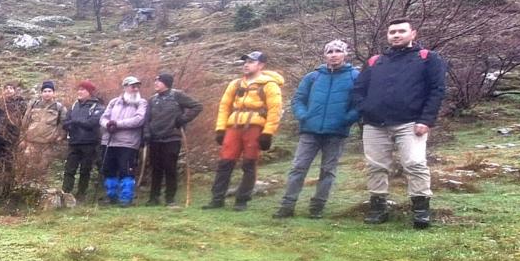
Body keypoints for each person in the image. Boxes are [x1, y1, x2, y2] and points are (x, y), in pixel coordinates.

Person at [352, 18, 447, 228]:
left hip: (411, 123)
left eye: (401, 31)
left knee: (415, 163)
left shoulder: (428, 58)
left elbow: (437, 90)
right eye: (392, 32)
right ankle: (378, 209)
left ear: (413, 33)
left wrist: (426, 120)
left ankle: (421, 211)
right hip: (375, 124)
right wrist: (365, 109)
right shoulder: (376, 61)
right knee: (375, 166)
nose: (396, 35)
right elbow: (359, 89)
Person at [274, 41, 359, 219]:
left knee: (328, 170)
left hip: (336, 133)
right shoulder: (312, 77)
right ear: (325, 55)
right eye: (330, 51)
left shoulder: (355, 76)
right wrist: (303, 116)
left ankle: (317, 207)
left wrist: (346, 120)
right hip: (310, 131)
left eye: (338, 51)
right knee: (298, 168)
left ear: (345, 54)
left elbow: (359, 104)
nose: (333, 54)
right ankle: (287, 206)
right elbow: (298, 99)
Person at [204, 51, 285, 211]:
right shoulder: (235, 84)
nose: (246, 65)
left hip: (255, 127)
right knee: (225, 162)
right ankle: (217, 199)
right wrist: (220, 129)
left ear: (261, 65)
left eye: (251, 62)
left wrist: (268, 133)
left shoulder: (270, 85)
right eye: (245, 62)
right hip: (233, 127)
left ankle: (242, 201)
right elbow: (224, 106)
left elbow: (275, 110)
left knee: (249, 163)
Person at [144, 73, 203, 207]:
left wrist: (183, 119)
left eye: (159, 81)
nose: (155, 83)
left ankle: (170, 198)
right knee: (156, 168)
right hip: (155, 138)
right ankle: (154, 198)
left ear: (166, 83)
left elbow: (197, 106)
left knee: (170, 168)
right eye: (155, 80)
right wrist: (146, 133)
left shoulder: (177, 95)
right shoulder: (152, 99)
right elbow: (147, 119)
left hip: (172, 137)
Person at [100, 77, 148, 206]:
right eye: (133, 86)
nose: (136, 89)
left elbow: (139, 119)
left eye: (137, 86)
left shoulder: (141, 103)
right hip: (109, 141)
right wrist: (107, 124)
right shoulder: (114, 102)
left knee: (126, 170)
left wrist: (117, 124)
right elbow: (103, 117)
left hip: (128, 143)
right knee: (109, 170)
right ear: (125, 87)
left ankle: (126, 198)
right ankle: (112, 196)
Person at [62, 80, 105, 200]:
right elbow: (65, 122)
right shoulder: (74, 105)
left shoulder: (97, 106)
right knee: (69, 169)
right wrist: (72, 124)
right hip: (74, 142)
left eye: (82, 90)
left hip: (89, 143)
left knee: (85, 170)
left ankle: (81, 194)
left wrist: (75, 122)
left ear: (89, 92)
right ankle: (65, 193)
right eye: (79, 89)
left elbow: (92, 123)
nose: (79, 92)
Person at [0, 83, 26, 196]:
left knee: (10, 165)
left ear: (15, 90)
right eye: (6, 88)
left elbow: (24, 121)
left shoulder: (20, 103)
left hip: (12, 139)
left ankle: (8, 191)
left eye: (11, 88)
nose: (8, 90)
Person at [22, 81, 67, 166]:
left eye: (49, 91)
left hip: (47, 144)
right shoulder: (34, 105)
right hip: (31, 142)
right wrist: (24, 137)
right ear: (41, 93)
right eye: (45, 91)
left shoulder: (59, 107)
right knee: (28, 167)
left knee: (43, 168)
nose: (47, 93)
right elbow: (26, 121)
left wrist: (59, 137)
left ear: (53, 93)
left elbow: (63, 124)